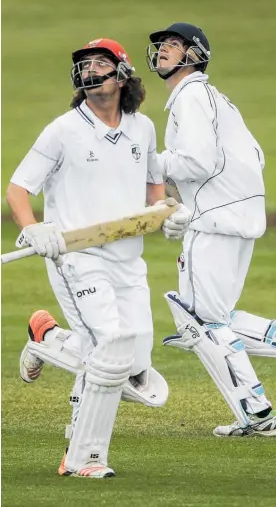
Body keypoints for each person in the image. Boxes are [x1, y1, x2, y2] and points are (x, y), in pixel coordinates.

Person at [6, 38, 192, 478]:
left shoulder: (142, 128)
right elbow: (18, 189)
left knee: (136, 370)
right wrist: (33, 227)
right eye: (84, 64)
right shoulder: (62, 130)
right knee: (109, 346)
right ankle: (84, 459)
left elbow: (153, 190)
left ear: (122, 72)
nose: (89, 70)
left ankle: (48, 340)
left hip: (129, 259)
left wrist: (169, 214)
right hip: (77, 257)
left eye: (99, 63)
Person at [146, 23, 276, 437]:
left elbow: (198, 162)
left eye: (173, 45)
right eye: (162, 45)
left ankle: (258, 413)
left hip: (217, 220)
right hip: (236, 216)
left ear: (194, 54)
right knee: (214, 317)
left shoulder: (191, 96)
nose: (163, 50)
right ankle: (253, 413)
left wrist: (150, 164)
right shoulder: (213, 97)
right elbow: (253, 156)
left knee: (201, 322)